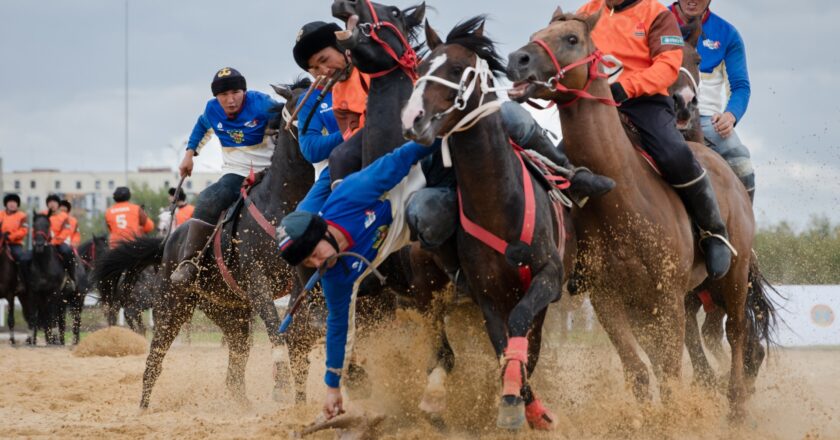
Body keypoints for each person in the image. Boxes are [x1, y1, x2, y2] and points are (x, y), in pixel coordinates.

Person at [277, 139, 437, 420]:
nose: (318, 264)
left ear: (323, 231)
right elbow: (339, 327)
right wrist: (332, 388)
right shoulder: (334, 275)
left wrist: (440, 135)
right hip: (409, 235)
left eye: (315, 254)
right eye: (308, 263)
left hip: (429, 183)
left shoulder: (353, 193)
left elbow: (403, 155)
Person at [577, 0, 734, 280]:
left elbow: (668, 65)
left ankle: (714, 232)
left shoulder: (657, 15)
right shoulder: (588, 11)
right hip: (596, 106)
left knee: (676, 155)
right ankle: (568, 244)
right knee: (561, 164)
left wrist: (627, 86)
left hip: (643, 103)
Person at [171, 67, 281, 286]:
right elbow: (202, 126)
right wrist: (189, 155)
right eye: (224, 95)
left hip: (271, 171)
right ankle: (189, 262)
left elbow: (290, 116)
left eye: (236, 93)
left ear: (244, 91)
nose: (230, 100)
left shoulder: (263, 104)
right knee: (208, 199)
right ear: (216, 97)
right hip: (236, 172)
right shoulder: (212, 110)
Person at [669, 0, 755, 201]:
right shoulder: (655, 21)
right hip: (659, 111)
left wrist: (730, 115)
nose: (692, 1)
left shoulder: (728, 34)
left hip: (707, 119)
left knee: (742, 163)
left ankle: (743, 230)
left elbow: (741, 86)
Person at [292, 21, 369, 212]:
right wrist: (351, 131)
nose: (324, 71)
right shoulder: (310, 101)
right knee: (302, 217)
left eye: (325, 59)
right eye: (315, 69)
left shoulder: (371, 68)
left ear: (341, 47)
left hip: (385, 146)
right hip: (339, 163)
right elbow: (310, 149)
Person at [43, 194, 77, 282]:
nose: (52, 204)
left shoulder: (64, 216)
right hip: (43, 243)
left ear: (58, 204)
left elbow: (66, 231)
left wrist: (54, 241)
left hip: (59, 243)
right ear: (47, 204)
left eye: (54, 202)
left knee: (67, 251)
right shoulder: (43, 214)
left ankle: (71, 275)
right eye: (50, 202)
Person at [0, 193, 30, 264]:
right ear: (6, 204)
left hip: (15, 244)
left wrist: (10, 237)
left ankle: (23, 274)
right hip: (1, 242)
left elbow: (24, 230)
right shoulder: (0, 214)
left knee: (22, 257)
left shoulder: (23, 216)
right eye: (10, 202)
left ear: (17, 204)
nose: (12, 204)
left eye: (14, 202)